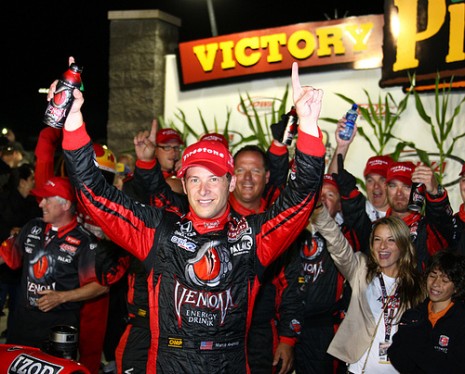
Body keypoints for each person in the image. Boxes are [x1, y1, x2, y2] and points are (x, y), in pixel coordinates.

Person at [56, 57, 324, 373]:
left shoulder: (253, 238)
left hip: (231, 364)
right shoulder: (158, 231)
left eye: (214, 178)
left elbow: (300, 200)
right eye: (195, 179)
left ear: (231, 181)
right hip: (168, 363)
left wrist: (307, 127)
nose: (204, 190)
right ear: (183, 184)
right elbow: (94, 195)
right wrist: (73, 118)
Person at [311, 205, 424, 374]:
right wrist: (319, 211)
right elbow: (338, 244)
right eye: (377, 239)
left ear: (403, 244)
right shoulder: (361, 270)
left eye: (391, 240)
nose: (382, 246)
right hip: (359, 369)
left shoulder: (418, 286)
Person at [0, 176, 109, 350]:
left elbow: (101, 286)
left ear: (65, 205)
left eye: (47, 200)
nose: (41, 204)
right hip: (22, 323)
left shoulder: (85, 242)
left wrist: (61, 297)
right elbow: (6, 255)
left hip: (59, 328)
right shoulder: (32, 227)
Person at [333, 157, 455, 269]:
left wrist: (435, 192)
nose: (399, 193)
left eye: (406, 187)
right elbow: (357, 223)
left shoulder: (427, 230)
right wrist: (350, 194)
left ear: (416, 191)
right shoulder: (375, 228)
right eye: (393, 186)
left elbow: (444, 225)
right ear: (386, 189)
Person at [388, 251, 465, 373]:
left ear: (456, 287)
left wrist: (416, 349)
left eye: (444, 280)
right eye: (432, 276)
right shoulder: (413, 315)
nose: (435, 284)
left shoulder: (460, 321)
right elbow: (396, 354)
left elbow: (455, 367)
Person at [0, 164, 42, 340]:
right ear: (23, 182)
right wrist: (10, 232)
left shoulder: (34, 204)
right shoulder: (4, 200)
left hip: (23, 269)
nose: (34, 183)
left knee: (18, 312)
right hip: (2, 265)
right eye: (32, 179)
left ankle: (11, 345)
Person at [327, 118, 393, 222]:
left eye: (382, 180)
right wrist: (342, 146)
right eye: (370, 180)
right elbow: (330, 186)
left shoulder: (402, 216)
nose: (376, 186)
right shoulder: (355, 211)